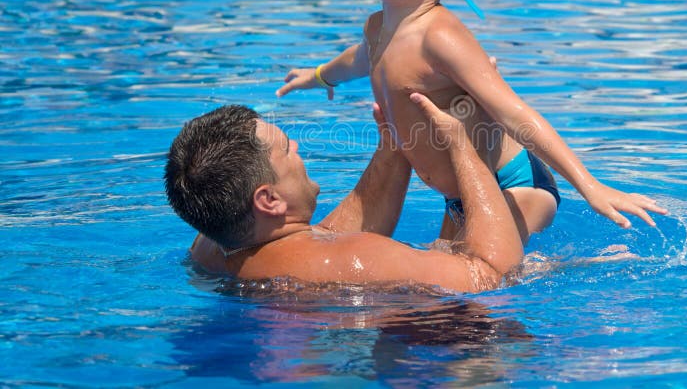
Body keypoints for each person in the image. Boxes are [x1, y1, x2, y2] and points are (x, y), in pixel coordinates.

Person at [276, 0, 666, 242]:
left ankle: (588, 264)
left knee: (474, 283)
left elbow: (514, 112)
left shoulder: (440, 36)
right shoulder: (378, 27)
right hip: (460, 192)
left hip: (512, 183)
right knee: (444, 279)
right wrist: (317, 76)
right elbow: (360, 58)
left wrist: (591, 187)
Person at [164, 93, 524, 293]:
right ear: (268, 200)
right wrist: (464, 147)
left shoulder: (211, 244)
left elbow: (319, 241)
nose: (295, 144)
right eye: (284, 149)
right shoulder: (359, 263)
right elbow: (493, 276)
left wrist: (395, 142)